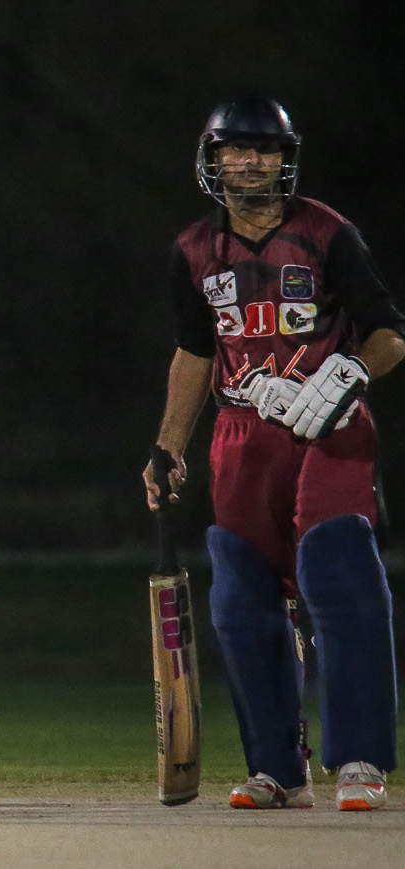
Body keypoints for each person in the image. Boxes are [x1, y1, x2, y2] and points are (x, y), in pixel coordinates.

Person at [144, 97, 404, 811]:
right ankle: (278, 770)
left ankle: (359, 759)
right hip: (240, 435)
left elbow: (388, 332)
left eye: (265, 149)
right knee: (240, 600)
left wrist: (349, 372)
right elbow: (196, 351)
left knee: (340, 578)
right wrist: (168, 445)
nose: (251, 161)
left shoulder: (327, 233)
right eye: (236, 149)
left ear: (285, 159)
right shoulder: (194, 250)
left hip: (329, 428)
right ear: (213, 160)